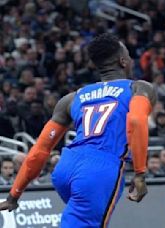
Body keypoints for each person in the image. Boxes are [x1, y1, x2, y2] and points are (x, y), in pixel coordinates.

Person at [0, 33, 156, 227]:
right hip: (99, 169)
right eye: (129, 55)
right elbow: (136, 120)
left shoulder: (72, 98)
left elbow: (39, 151)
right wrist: (140, 173)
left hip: (65, 167)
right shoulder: (139, 88)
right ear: (123, 61)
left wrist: (15, 194)